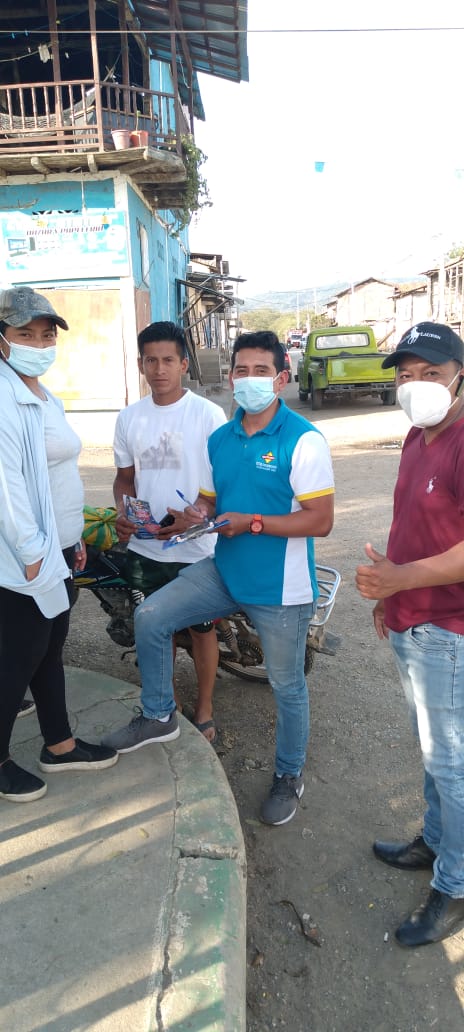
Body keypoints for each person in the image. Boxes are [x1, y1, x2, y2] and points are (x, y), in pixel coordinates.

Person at [102, 331, 335, 825]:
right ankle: (159, 713)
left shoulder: (303, 440)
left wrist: (252, 522)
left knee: (287, 686)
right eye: (241, 371)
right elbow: (209, 500)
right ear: (230, 378)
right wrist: (197, 513)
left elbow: (320, 520)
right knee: (151, 616)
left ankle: (289, 773)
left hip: (280, 587)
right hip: (224, 571)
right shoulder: (221, 439)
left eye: (261, 371)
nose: (249, 380)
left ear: (282, 378)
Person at [355, 320, 464, 947]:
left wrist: (402, 580)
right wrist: (388, 593)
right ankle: (436, 840)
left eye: (430, 373)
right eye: (405, 375)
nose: (415, 385)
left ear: (458, 377)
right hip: (412, 619)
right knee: (434, 752)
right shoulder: (418, 436)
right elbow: (409, 522)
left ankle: (456, 884)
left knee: (453, 764)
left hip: (449, 628)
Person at [0, 286, 118, 803]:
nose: (39, 344)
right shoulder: (4, 398)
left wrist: (74, 538)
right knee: (18, 657)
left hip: (61, 547)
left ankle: (60, 744)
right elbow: (6, 485)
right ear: (2, 339)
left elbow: (57, 474)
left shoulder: (44, 395)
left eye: (47, 335)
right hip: (26, 558)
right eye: (25, 334)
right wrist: (32, 554)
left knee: (49, 650)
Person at [112, 320, 226, 744]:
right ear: (141, 364)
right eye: (151, 361)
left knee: (202, 630)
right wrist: (123, 512)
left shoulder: (208, 415)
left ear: (183, 364)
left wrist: (198, 514)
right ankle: (169, 707)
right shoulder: (129, 418)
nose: (159, 369)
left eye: (168, 360)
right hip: (146, 548)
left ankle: (205, 709)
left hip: (196, 549)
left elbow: (223, 481)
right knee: (154, 629)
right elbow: (125, 479)